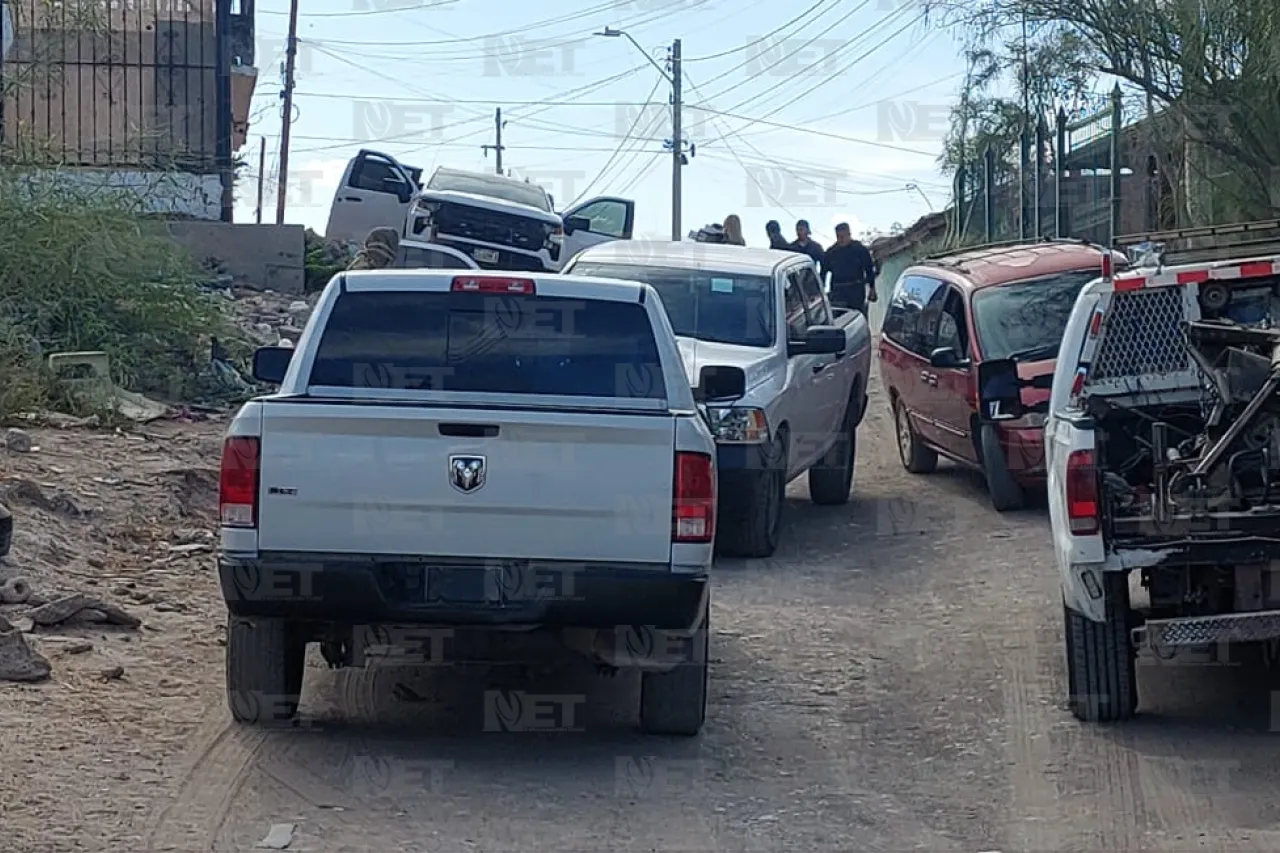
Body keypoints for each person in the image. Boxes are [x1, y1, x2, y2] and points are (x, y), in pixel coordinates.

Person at [823, 222, 879, 314]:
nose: (841, 239)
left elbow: (869, 270)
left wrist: (872, 288)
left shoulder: (860, 250)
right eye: (838, 236)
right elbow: (824, 272)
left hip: (856, 290)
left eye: (843, 236)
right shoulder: (831, 253)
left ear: (849, 234)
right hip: (838, 291)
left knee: (858, 317)